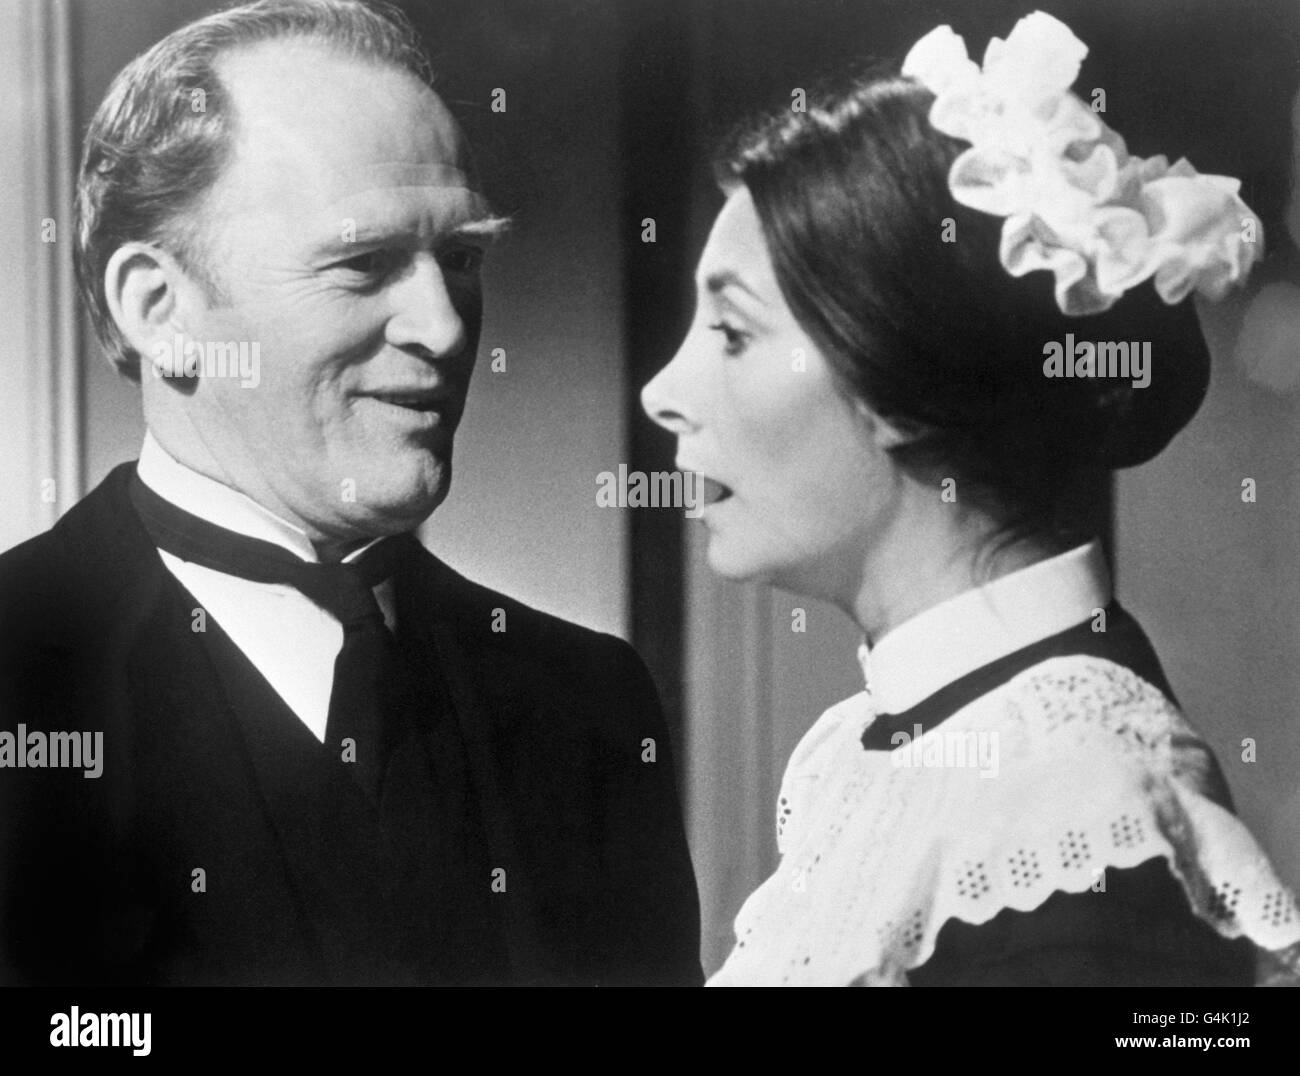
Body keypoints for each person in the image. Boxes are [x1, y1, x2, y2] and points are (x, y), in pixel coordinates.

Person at [0, 0, 701, 987]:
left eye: (460, 259)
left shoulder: (586, 703)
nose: (446, 330)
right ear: (160, 309)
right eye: (364, 262)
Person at [642, 11, 1300, 986]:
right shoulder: (879, 751)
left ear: (901, 380)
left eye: (732, 332)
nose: (663, 392)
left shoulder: (1079, 811)